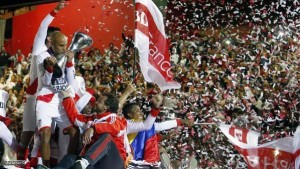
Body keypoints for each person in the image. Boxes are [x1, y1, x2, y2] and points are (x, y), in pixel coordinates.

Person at [17, 1, 67, 163]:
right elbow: (42, 27)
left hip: (52, 99)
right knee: (28, 134)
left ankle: (40, 164)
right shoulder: (40, 50)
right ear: (49, 39)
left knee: (45, 136)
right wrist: (55, 11)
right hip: (34, 97)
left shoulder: (61, 56)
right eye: (56, 37)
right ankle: (18, 163)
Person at [35, 30, 79, 168]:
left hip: (60, 100)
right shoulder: (42, 56)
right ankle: (46, 166)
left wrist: (70, 62)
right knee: (46, 133)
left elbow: (71, 81)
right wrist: (49, 67)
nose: (64, 48)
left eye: (65, 45)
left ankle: (68, 164)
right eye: (60, 45)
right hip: (44, 99)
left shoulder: (67, 55)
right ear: (51, 44)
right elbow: (47, 82)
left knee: (74, 132)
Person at [122, 102, 193, 167]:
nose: (140, 112)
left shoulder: (141, 126)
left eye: (140, 110)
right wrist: (181, 121)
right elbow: (159, 126)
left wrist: (166, 136)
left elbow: (149, 137)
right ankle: (154, 163)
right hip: (132, 154)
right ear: (129, 114)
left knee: (161, 149)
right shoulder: (129, 123)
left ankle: (168, 166)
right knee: (150, 129)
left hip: (140, 153)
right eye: (137, 111)